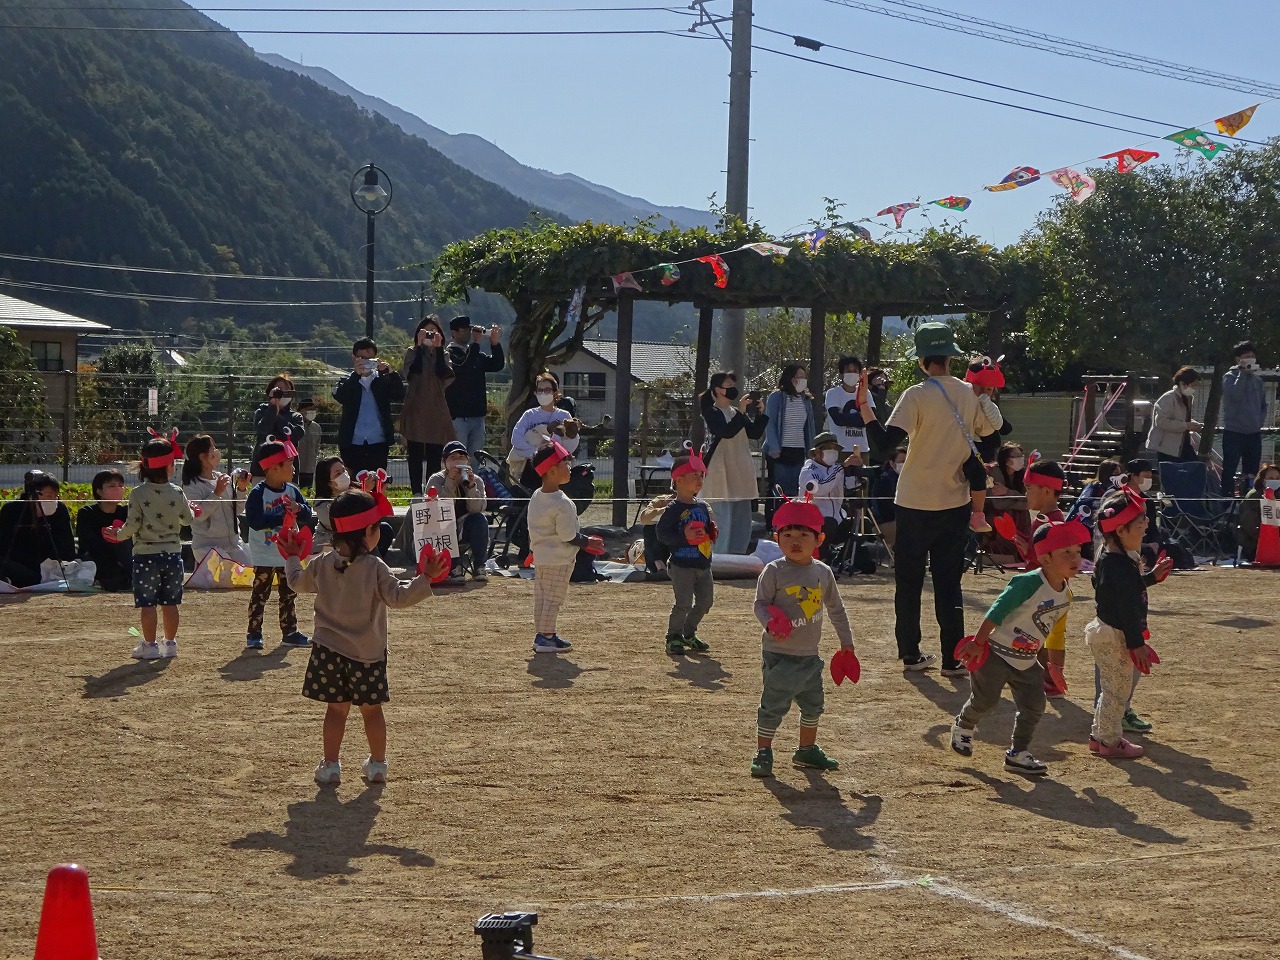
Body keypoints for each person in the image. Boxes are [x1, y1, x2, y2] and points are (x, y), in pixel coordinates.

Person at [856, 321, 1002, 674]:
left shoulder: (916, 394)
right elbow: (990, 439)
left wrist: (864, 406)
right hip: (954, 501)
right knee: (949, 583)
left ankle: (910, 653)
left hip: (913, 500)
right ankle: (953, 657)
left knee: (908, 582)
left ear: (922, 360)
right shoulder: (969, 394)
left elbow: (884, 445)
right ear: (950, 357)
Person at [282, 489, 449, 786]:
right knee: (372, 712)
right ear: (368, 533)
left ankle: (331, 766)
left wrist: (293, 557)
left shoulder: (322, 563)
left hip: (328, 651)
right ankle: (378, 766)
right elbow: (398, 598)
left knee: (336, 710)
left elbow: (296, 582)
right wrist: (426, 578)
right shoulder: (375, 567)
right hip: (367, 655)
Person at [950, 520, 1090, 776]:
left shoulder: (1066, 595)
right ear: (1045, 559)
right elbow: (997, 611)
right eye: (1066, 553)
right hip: (996, 653)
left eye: (1078, 552)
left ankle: (1018, 753)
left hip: (1027, 661)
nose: (1075, 558)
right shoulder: (1028, 583)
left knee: (1034, 705)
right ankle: (964, 725)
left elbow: (1055, 633)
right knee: (986, 701)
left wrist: (1055, 666)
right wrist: (978, 642)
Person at [749, 496, 856, 778]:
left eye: (803, 535)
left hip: (809, 654)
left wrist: (847, 642)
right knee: (773, 704)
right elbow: (760, 604)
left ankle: (806, 750)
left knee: (813, 705)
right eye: (787, 535)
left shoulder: (823, 572)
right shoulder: (773, 571)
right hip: (779, 653)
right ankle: (763, 752)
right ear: (777, 539)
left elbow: (836, 608)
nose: (794, 541)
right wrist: (770, 622)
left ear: (819, 539)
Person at [1086, 489, 1174, 759]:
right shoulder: (1121, 565)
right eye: (1140, 523)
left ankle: (1098, 735)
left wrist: (1151, 578)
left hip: (1105, 631)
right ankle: (1110, 741)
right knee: (1117, 691)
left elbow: (1119, 592)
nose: (1146, 526)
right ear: (1121, 531)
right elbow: (1126, 607)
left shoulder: (1111, 558)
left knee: (1111, 689)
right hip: (1116, 635)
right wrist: (1137, 645)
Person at [110, 432, 194, 660]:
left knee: (148, 604)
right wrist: (194, 510)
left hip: (145, 555)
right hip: (173, 556)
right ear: (168, 466)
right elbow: (188, 520)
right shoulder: (177, 492)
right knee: (170, 603)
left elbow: (132, 524)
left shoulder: (138, 494)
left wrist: (118, 535)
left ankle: (150, 645)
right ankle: (170, 644)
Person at [526, 441, 604, 654]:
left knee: (542, 598)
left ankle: (542, 634)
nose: (570, 467)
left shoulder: (536, 496)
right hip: (559, 559)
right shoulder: (562, 503)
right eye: (565, 464)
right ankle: (546, 637)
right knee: (554, 599)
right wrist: (587, 541)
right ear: (552, 471)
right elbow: (568, 535)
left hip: (541, 557)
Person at [245, 436, 315, 651]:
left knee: (289, 594)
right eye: (290, 464)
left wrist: (299, 509)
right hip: (264, 554)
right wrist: (281, 518)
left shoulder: (292, 491)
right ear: (274, 467)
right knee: (260, 594)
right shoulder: (258, 493)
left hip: (288, 555)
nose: (293, 469)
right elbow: (254, 521)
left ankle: (290, 632)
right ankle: (254, 634)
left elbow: (308, 513)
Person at [700, 371, 767, 555]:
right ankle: (718, 557)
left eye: (733, 386)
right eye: (728, 386)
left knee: (741, 520)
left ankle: (738, 556)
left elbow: (754, 433)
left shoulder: (736, 412)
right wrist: (742, 412)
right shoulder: (711, 412)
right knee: (721, 518)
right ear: (717, 390)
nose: (732, 389)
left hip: (740, 469)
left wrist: (760, 414)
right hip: (720, 469)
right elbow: (726, 431)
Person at [656, 454, 716, 655]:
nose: (700, 480)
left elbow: (708, 528)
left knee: (705, 603)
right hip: (681, 564)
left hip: (703, 564)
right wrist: (684, 536)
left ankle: (688, 633)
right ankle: (673, 636)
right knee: (683, 604)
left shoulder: (702, 506)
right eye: (694, 475)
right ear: (679, 480)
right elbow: (662, 534)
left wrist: (712, 532)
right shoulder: (673, 508)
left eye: (701, 475)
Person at [400, 317, 457, 495]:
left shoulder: (444, 354)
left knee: (434, 452)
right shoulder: (412, 352)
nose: (430, 334)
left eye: (434, 331)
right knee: (415, 453)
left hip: (436, 407)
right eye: (426, 331)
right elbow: (412, 373)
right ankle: (416, 492)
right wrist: (419, 347)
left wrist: (438, 349)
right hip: (415, 406)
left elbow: (444, 374)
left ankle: (432, 492)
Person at [334, 337, 405, 479]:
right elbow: (340, 396)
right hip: (352, 442)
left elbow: (399, 394)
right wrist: (356, 375)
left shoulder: (382, 379)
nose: (365, 362)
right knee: (353, 483)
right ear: (354, 358)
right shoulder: (347, 380)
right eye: (361, 358)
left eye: (370, 359)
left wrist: (392, 373)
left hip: (378, 441)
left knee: (377, 481)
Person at [426, 440, 490, 582]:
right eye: (452, 457)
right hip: (442, 527)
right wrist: (450, 481)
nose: (458, 461)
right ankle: (455, 567)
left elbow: (476, 509)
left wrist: (471, 486)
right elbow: (441, 508)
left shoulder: (477, 480)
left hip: (466, 526)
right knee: (447, 522)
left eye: (461, 457)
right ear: (444, 462)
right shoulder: (436, 479)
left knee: (480, 519)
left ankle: (480, 565)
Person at [182, 434, 251, 566]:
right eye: (213, 448)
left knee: (248, 572)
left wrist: (241, 489)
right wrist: (216, 493)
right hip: (206, 546)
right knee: (225, 574)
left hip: (233, 543)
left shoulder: (222, 478)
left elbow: (237, 510)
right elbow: (198, 515)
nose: (217, 451)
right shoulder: (191, 485)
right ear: (202, 456)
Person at [798, 432, 864, 568]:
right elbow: (820, 488)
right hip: (812, 523)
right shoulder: (808, 470)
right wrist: (842, 468)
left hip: (837, 518)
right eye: (829, 448)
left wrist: (858, 469)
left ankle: (840, 559)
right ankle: (819, 561)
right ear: (817, 452)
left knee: (863, 523)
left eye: (835, 449)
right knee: (829, 522)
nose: (833, 452)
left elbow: (852, 485)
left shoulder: (836, 468)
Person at [0, 470, 76, 588]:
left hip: (52, 565)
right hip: (19, 563)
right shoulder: (12, 510)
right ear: (32, 495)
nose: (53, 500)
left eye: (56, 496)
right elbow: (5, 546)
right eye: (49, 496)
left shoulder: (60, 510)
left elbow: (67, 544)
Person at [762, 363, 816, 519]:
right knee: (779, 490)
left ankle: (792, 520)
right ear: (789, 378)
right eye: (798, 377)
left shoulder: (806, 399)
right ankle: (774, 522)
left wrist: (811, 449)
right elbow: (770, 423)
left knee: (796, 489)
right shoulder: (777, 397)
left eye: (804, 377)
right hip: (780, 451)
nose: (802, 380)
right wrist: (774, 448)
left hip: (798, 450)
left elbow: (809, 426)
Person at [508, 372, 581, 485]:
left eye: (547, 390)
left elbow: (571, 443)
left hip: (556, 468)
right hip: (531, 467)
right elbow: (516, 438)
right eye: (540, 390)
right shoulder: (530, 415)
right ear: (535, 392)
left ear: (555, 393)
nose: (543, 393)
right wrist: (536, 453)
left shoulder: (564, 415)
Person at [446, 316, 504, 454]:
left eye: (470, 329)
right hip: (458, 417)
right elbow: (464, 367)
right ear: (454, 333)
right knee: (457, 456)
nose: (469, 332)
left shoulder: (476, 354)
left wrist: (495, 344)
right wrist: (476, 343)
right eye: (464, 329)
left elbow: (497, 364)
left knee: (475, 458)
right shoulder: (449, 354)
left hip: (477, 416)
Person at [1221, 340, 1268, 497]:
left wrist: (1259, 422)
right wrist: (1242, 373)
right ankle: (1226, 503)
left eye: (1252, 356)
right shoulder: (1229, 377)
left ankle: (1249, 501)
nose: (1250, 359)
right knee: (1229, 470)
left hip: (1253, 434)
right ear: (1238, 359)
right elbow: (1235, 397)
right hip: (1233, 433)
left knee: (1252, 472)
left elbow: (1263, 405)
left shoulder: (1258, 381)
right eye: (1246, 356)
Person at [76, 469, 132, 592]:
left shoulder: (126, 512)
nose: (118, 489)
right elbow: (88, 542)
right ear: (99, 490)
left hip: (122, 558)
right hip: (96, 557)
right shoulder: (86, 513)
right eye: (112, 486)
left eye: (120, 486)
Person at [1147, 366, 1203, 464]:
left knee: (1194, 467)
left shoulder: (1187, 398)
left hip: (1182, 443)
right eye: (1193, 385)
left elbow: (1181, 418)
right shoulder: (1168, 398)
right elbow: (1161, 421)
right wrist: (1186, 426)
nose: (1194, 388)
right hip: (1166, 446)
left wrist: (1194, 424)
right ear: (1182, 383)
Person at [253, 375, 305, 474]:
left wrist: (277, 415)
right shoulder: (261, 411)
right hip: (263, 467)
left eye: (287, 390)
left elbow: (296, 435)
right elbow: (263, 429)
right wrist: (272, 408)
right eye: (279, 390)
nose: (283, 393)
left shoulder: (296, 416)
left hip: (288, 468)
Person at [986, 443, 1029, 561]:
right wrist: (1019, 499)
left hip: (1010, 511)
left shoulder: (1021, 474)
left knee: (1023, 513)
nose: (1020, 459)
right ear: (1006, 460)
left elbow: (1028, 502)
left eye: (1021, 455)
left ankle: (1021, 548)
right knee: (1009, 513)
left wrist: (1007, 492)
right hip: (991, 513)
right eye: (1016, 456)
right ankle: (1004, 550)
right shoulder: (995, 472)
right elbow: (998, 504)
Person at [824, 356, 873, 455]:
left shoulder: (865, 393)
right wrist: (860, 416)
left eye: (855, 371)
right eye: (848, 371)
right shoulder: (833, 393)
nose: (852, 374)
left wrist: (848, 418)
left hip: (862, 449)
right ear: (841, 374)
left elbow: (871, 420)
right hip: (840, 449)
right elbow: (838, 419)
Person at [1067, 458, 1123, 535]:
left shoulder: (1118, 489)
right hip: (1085, 524)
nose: (1118, 476)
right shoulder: (1094, 486)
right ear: (1106, 473)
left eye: (1119, 474)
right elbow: (1082, 502)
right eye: (1115, 473)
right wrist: (1097, 502)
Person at [1236, 463, 1280, 562]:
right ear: (1263, 480)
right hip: (1254, 543)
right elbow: (1250, 525)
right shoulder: (1253, 496)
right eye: (1271, 478)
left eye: (1277, 478)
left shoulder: (1278, 494)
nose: (1275, 481)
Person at [871, 447, 905, 551]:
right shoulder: (884, 480)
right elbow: (883, 509)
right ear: (892, 463)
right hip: (885, 522)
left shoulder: (908, 479)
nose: (905, 464)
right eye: (902, 461)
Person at [296, 400, 323, 490]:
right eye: (308, 409)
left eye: (313, 409)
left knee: (308, 492)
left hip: (310, 468)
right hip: (296, 468)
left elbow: (317, 447)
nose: (312, 412)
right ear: (300, 411)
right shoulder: (295, 425)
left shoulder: (317, 427)